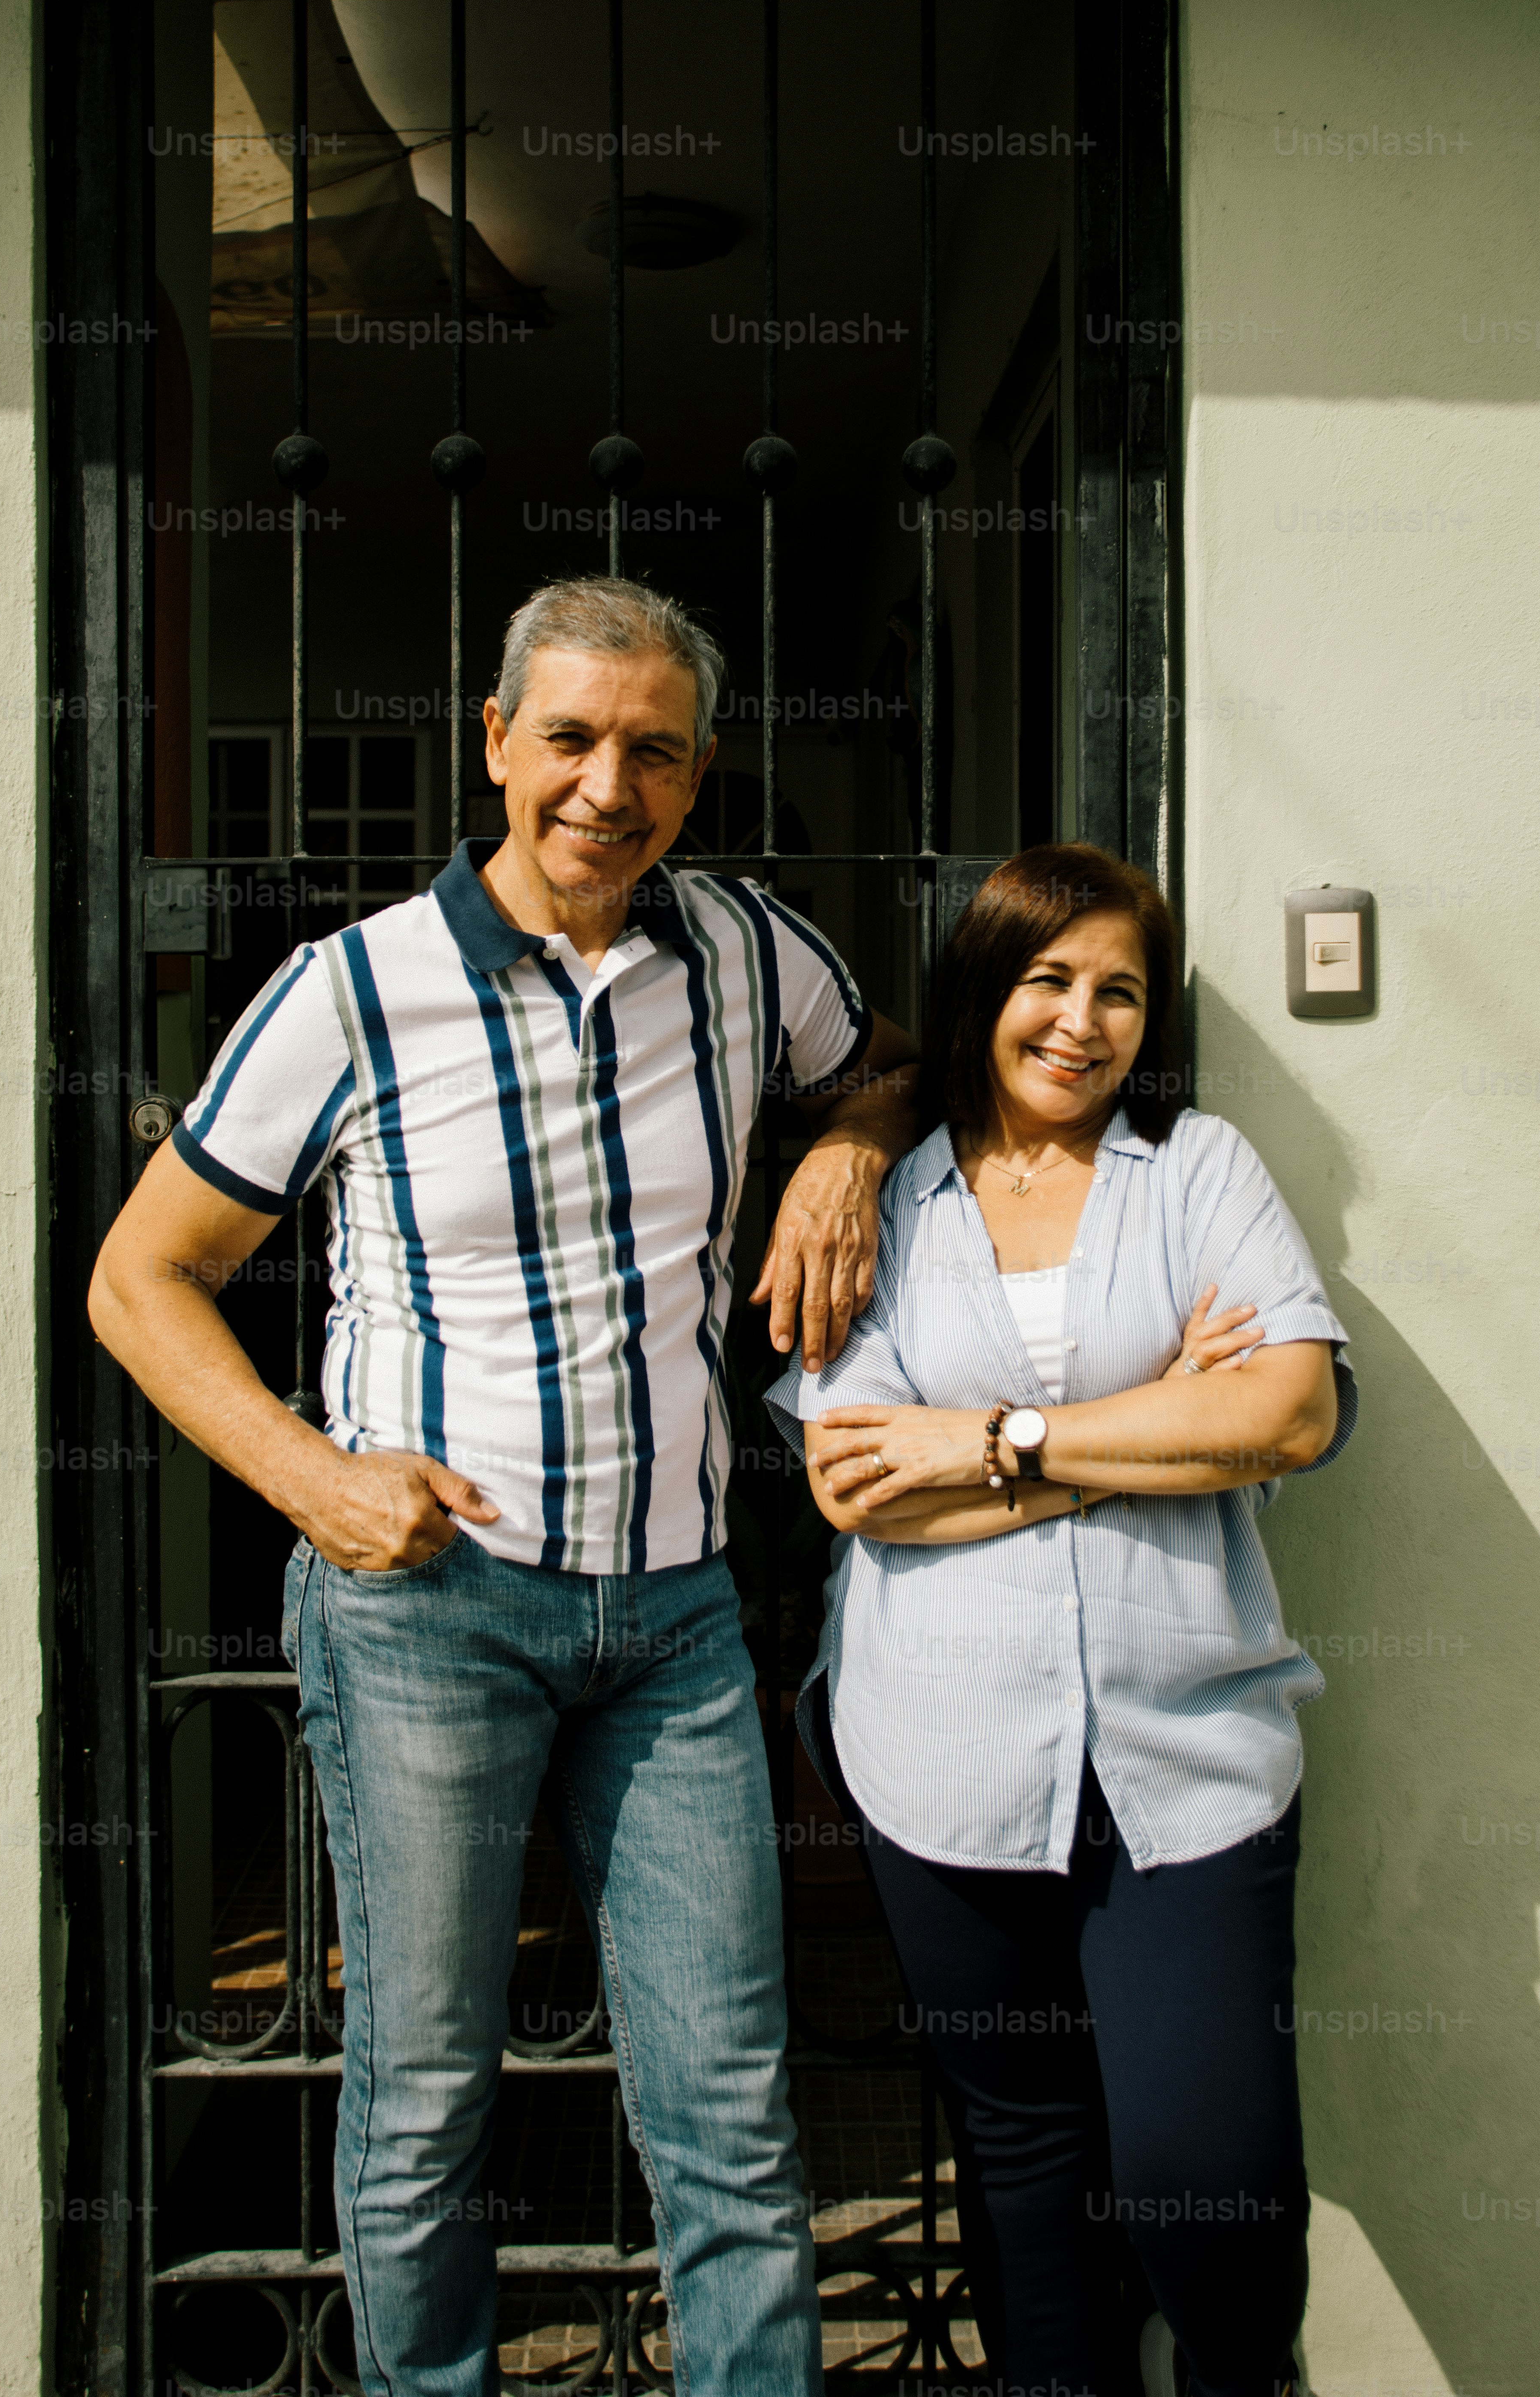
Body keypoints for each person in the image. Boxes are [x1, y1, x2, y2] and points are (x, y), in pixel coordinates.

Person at [89, 575, 921, 2397]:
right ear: (494, 742)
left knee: (727, 2102)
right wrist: (310, 1478)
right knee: (424, 2097)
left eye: (651, 749)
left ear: (696, 777)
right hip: (430, 1620)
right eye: (567, 737)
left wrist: (843, 1154)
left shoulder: (746, 950)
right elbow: (136, 1279)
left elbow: (881, 1072)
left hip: (682, 1617)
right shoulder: (350, 991)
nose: (604, 786)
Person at [767, 844, 1356, 2397]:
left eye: (1117, 992)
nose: (1080, 1023)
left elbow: (1289, 1411)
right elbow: (856, 1485)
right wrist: (1168, 1415)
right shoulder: (885, 1204)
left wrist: (1002, 1439)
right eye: (1047, 981)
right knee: (1029, 2198)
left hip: (1190, 1766)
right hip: (942, 1767)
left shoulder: (1201, 1170)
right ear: (982, 992)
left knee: (1205, 2191)